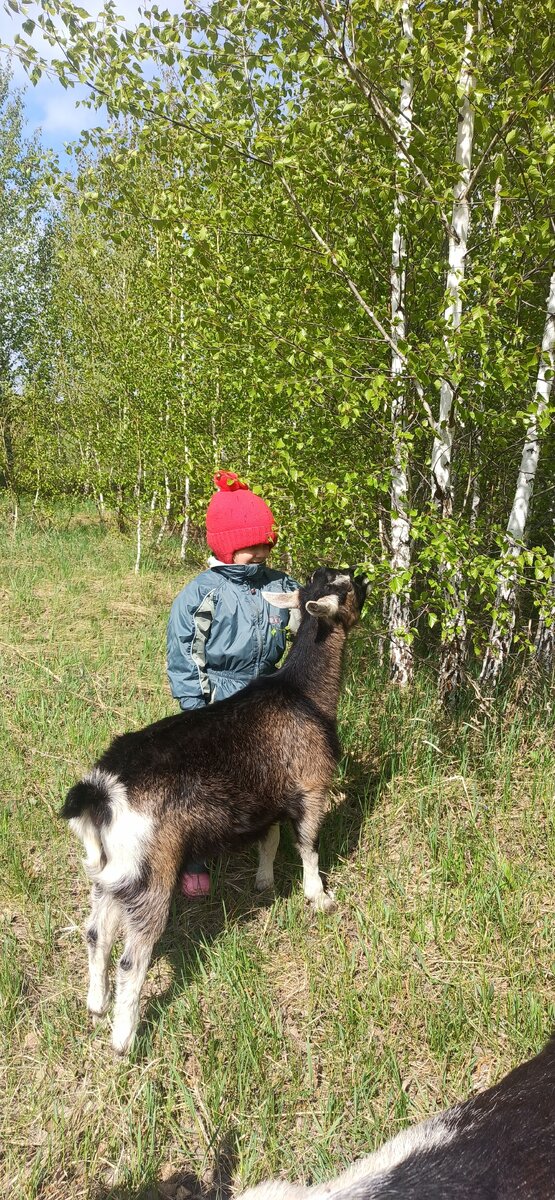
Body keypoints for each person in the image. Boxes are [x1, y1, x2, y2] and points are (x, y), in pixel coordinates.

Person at [167, 469, 299, 898]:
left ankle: (257, 835)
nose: (260, 551)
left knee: (261, 772)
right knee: (209, 779)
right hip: (218, 695)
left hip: (264, 692)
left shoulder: (279, 585)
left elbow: (302, 622)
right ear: (226, 545)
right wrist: (194, 702)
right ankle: (194, 853)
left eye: (265, 542)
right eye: (250, 546)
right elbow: (185, 650)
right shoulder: (204, 592)